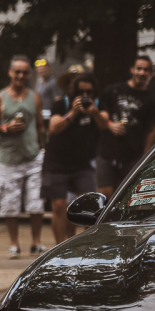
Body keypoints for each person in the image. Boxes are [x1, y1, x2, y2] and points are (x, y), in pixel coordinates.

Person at [0, 55, 46, 258]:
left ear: (30, 74)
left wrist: (43, 148)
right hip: (9, 159)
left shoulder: (34, 97)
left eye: (25, 72)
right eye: (17, 72)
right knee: (10, 205)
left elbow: (40, 126)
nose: (21, 76)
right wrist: (5, 127)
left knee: (36, 203)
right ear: (10, 73)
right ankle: (14, 244)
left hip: (33, 156)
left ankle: (36, 243)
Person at [44, 69, 102, 243]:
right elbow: (53, 128)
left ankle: (88, 247)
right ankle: (60, 247)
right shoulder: (61, 104)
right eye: (79, 91)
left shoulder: (96, 106)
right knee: (60, 207)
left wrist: (94, 112)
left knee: (89, 207)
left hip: (82, 164)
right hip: (57, 163)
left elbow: (105, 125)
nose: (84, 96)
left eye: (88, 92)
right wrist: (73, 113)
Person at [95, 55, 155, 199]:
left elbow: (152, 130)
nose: (141, 73)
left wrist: (144, 157)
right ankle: (102, 222)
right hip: (107, 151)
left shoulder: (151, 98)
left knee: (128, 197)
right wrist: (110, 125)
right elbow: (100, 115)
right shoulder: (113, 91)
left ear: (150, 73)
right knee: (104, 195)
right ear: (132, 70)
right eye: (139, 68)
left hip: (133, 154)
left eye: (146, 70)